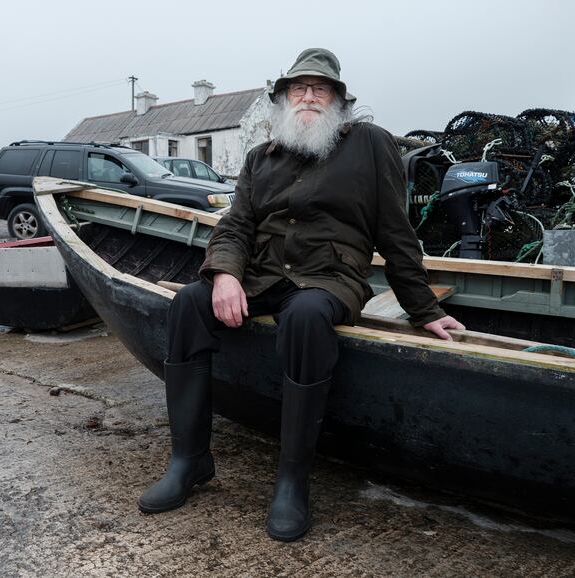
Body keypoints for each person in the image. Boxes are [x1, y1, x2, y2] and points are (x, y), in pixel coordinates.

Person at [137, 48, 464, 542]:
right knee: (187, 303)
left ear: (338, 100)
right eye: (299, 88)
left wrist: (424, 310)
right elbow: (235, 227)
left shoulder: (371, 144)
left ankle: (291, 482)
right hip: (262, 275)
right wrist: (224, 275)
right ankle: (189, 460)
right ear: (283, 99)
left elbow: (397, 234)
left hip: (329, 278)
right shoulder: (260, 158)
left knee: (307, 316)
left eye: (321, 88)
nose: (309, 96)